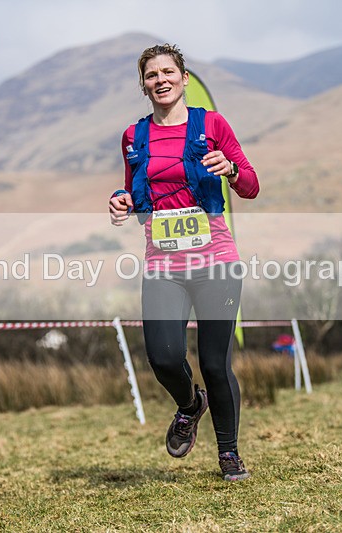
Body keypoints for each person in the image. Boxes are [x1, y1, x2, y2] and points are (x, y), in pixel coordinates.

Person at [109, 44, 259, 481]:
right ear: (144, 85)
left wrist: (229, 168)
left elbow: (250, 185)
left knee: (215, 363)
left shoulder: (212, 125)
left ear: (184, 77)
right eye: (152, 75)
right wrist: (121, 204)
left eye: (168, 71)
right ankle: (191, 406)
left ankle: (228, 453)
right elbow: (135, 197)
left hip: (216, 260)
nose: (161, 80)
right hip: (163, 264)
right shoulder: (133, 137)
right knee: (163, 356)